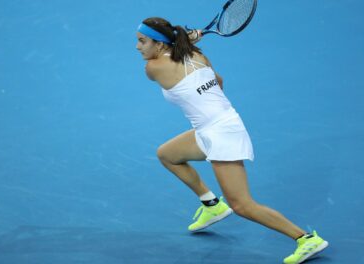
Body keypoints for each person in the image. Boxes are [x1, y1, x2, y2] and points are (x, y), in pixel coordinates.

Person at [136, 17, 329, 264]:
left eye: (143, 41)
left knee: (242, 205)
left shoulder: (153, 68)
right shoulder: (198, 56)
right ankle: (212, 205)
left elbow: (163, 62)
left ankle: (305, 238)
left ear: (160, 44)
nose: (138, 47)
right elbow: (219, 82)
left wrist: (184, 42)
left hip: (220, 134)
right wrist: (186, 44)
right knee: (168, 155)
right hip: (216, 125)